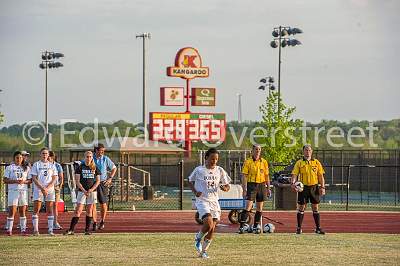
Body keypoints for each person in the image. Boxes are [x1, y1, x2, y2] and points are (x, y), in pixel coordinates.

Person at [189, 148, 231, 259]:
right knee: (208, 224)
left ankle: (204, 252)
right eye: (212, 158)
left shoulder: (220, 170)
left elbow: (227, 185)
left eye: (216, 159)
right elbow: (189, 180)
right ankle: (198, 238)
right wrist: (195, 192)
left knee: (212, 228)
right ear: (206, 158)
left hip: (214, 201)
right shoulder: (199, 170)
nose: (214, 161)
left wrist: (225, 188)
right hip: (202, 200)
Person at [291, 144, 326, 234]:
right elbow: (294, 174)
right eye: (306, 150)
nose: (308, 152)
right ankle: (299, 228)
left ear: (312, 151)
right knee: (301, 207)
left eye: (309, 150)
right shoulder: (299, 163)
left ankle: (318, 228)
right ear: (303, 151)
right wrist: (293, 183)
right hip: (303, 188)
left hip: (314, 187)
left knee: (315, 207)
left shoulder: (316, 162)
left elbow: (320, 176)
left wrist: (322, 187)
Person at [65, 151, 100, 235]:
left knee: (89, 211)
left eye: (90, 156)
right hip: (82, 192)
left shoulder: (95, 167)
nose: (88, 158)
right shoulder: (80, 167)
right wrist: (84, 190)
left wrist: (91, 189)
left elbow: (98, 181)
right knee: (78, 210)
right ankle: (71, 229)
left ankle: (87, 230)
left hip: (92, 192)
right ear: (84, 157)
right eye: (87, 156)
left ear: (92, 158)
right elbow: (77, 181)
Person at [238, 144, 271, 234]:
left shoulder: (264, 162)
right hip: (251, 185)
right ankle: (241, 227)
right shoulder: (248, 162)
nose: (258, 151)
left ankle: (256, 227)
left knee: (259, 208)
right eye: (256, 149)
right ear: (252, 151)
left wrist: (268, 187)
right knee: (248, 206)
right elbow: (244, 176)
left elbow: (267, 175)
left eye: (259, 149)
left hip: (262, 185)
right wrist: (244, 189)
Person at [30, 147, 58, 236]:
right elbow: (34, 178)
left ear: (48, 155)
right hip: (39, 189)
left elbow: (54, 178)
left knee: (50, 210)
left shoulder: (52, 165)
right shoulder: (36, 165)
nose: (44, 155)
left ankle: (50, 230)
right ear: (40, 154)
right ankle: (35, 230)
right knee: (36, 209)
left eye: (46, 153)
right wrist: (42, 188)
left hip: (49, 189)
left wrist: (48, 187)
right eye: (43, 153)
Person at [3, 151, 32, 236]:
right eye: (17, 157)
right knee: (12, 211)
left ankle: (23, 230)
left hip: (23, 191)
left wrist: (24, 181)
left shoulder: (26, 168)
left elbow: (30, 180)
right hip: (13, 191)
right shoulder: (9, 167)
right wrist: (15, 181)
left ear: (22, 158)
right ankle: (9, 230)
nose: (19, 159)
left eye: (20, 157)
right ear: (14, 158)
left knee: (23, 211)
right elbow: (5, 180)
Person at [92, 144, 116, 231]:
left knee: (103, 203)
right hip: (92, 183)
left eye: (103, 151)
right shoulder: (91, 158)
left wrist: (110, 178)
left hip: (102, 183)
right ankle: (94, 222)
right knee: (92, 204)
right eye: (100, 150)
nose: (102, 152)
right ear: (96, 150)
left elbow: (114, 168)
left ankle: (102, 221)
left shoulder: (105, 159)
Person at [49, 151, 64, 230]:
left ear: (52, 157)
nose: (47, 159)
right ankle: (50, 223)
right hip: (47, 187)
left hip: (55, 187)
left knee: (55, 205)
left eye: (49, 157)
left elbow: (61, 177)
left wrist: (60, 186)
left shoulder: (57, 165)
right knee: (48, 205)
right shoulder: (44, 165)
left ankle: (55, 222)